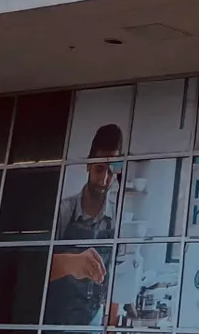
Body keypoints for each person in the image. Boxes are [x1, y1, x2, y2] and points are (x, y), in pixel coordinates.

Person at [45, 123, 123, 326]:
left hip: (95, 324)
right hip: (56, 324)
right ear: (88, 165)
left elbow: (117, 278)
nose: (104, 179)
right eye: (99, 169)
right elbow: (34, 267)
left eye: (111, 171)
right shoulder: (62, 212)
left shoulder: (119, 217)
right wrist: (70, 263)